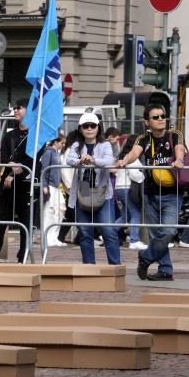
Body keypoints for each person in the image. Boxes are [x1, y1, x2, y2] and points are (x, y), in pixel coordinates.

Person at [117, 103, 186, 281]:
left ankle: (145, 257)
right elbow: (135, 152)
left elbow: (179, 149)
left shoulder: (174, 134)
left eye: (162, 116)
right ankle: (165, 270)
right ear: (147, 122)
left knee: (169, 232)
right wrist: (125, 160)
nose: (161, 119)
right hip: (149, 193)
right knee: (156, 234)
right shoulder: (143, 139)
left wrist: (179, 159)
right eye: (156, 117)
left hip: (172, 193)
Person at [64, 112, 120, 265]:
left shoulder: (105, 144)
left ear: (98, 128)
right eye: (85, 126)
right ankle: (89, 266)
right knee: (85, 232)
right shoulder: (76, 145)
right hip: (82, 191)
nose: (89, 129)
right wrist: (81, 161)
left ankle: (115, 267)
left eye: (92, 125)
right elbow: (69, 159)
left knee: (108, 231)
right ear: (80, 129)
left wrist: (93, 160)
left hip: (103, 192)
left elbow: (109, 160)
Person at [0, 99, 32, 263]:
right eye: (14, 108)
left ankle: (23, 258)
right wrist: (10, 167)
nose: (16, 111)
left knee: (25, 224)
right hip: (6, 186)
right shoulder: (9, 135)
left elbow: (32, 159)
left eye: (19, 108)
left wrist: (14, 172)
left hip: (25, 186)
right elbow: (4, 157)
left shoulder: (35, 135)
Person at [40, 134, 67, 247]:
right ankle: (48, 237)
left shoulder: (55, 153)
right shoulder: (49, 152)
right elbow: (44, 169)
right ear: (55, 142)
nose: (63, 145)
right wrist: (44, 185)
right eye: (62, 142)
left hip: (55, 185)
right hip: (51, 185)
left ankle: (54, 236)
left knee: (59, 210)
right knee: (49, 212)